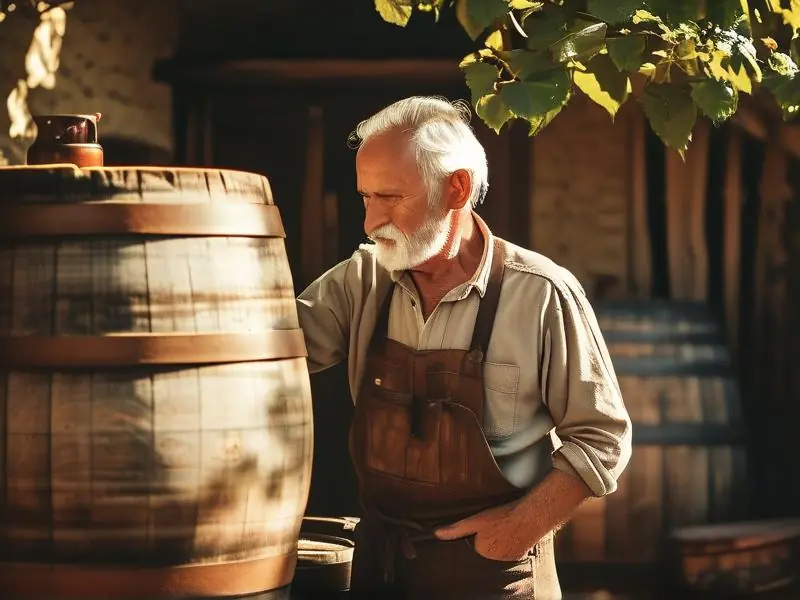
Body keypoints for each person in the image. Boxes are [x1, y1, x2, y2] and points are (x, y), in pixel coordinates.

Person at [296, 96, 633, 600]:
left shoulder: (540, 293)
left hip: (493, 578)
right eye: (366, 197)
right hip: (380, 574)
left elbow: (603, 438)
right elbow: (265, 351)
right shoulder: (362, 279)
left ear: (456, 188)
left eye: (390, 197)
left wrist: (520, 529)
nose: (370, 222)